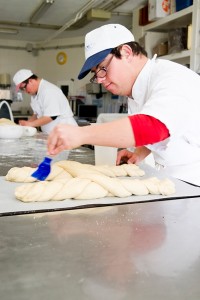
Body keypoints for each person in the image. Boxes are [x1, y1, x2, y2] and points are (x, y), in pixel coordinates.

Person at [47, 23, 200, 186]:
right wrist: (140, 152)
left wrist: (81, 134)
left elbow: (153, 127)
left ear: (126, 52)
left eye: (102, 68)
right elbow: (172, 130)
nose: (99, 79)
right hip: (175, 182)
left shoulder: (171, 78)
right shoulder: (136, 91)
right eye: (95, 73)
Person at [13, 69, 77, 134]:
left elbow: (51, 116)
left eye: (24, 88)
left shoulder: (48, 90)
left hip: (66, 133)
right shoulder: (34, 94)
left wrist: (30, 124)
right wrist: (25, 125)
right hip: (52, 134)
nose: (25, 91)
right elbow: (36, 114)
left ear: (31, 81)